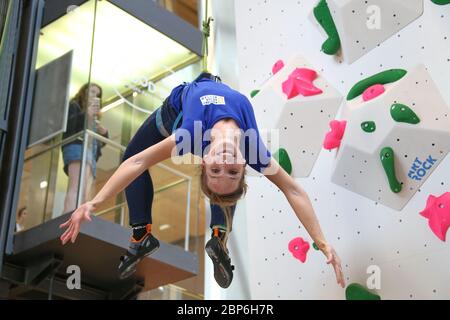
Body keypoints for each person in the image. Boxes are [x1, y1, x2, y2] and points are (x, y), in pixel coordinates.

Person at [59, 73, 345, 289]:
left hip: (171, 117)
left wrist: (93, 202)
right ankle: (220, 235)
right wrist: (323, 242)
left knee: (132, 156)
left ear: (204, 162)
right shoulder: (252, 149)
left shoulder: (189, 137)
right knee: (224, 193)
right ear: (243, 165)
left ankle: (140, 235)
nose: (224, 163)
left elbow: (137, 162)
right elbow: (293, 189)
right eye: (232, 171)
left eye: (215, 170)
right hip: (206, 88)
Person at [61, 83, 109, 214]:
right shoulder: (74, 106)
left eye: (97, 94)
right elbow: (69, 127)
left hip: (89, 152)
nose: (95, 95)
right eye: (92, 91)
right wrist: (86, 115)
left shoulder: (93, 116)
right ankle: (68, 216)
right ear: (84, 92)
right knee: (76, 186)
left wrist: (104, 133)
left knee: (84, 191)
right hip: (76, 147)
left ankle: (77, 217)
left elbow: (98, 143)